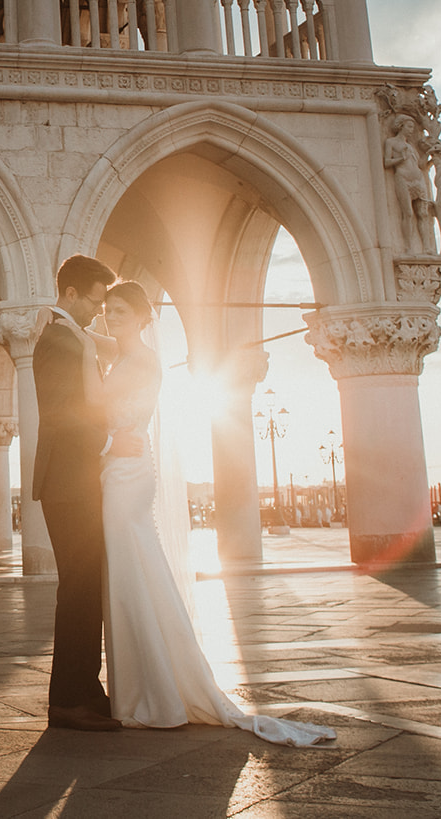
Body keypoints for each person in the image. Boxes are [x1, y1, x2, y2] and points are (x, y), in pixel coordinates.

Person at [78, 280, 336, 747]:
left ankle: (152, 692)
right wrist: (72, 328)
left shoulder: (138, 360)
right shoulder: (125, 353)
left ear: (141, 317)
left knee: (129, 572)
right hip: (121, 469)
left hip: (127, 472)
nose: (109, 316)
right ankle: (144, 686)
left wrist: (79, 350)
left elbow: (96, 404)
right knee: (130, 571)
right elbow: (97, 343)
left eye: (119, 311)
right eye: (106, 310)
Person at [32, 253, 136, 733]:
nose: (99, 311)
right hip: (68, 481)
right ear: (70, 293)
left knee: (85, 587)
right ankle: (69, 699)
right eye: (95, 301)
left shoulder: (71, 336)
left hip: (75, 479)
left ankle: (84, 691)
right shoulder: (56, 338)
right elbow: (58, 413)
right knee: (77, 589)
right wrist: (112, 441)